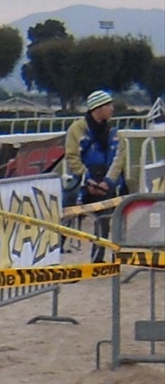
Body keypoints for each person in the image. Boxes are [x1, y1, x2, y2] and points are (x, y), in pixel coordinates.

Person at [64, 89, 128, 261]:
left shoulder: (116, 135)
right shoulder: (76, 130)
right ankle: (57, 254)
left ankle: (97, 260)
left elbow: (118, 160)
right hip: (83, 182)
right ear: (97, 108)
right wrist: (88, 181)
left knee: (104, 217)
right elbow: (72, 157)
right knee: (67, 208)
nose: (112, 109)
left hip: (106, 184)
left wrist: (107, 182)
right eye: (108, 105)